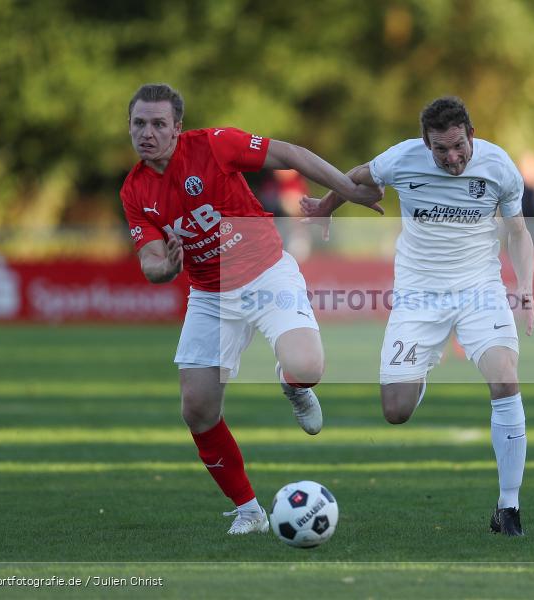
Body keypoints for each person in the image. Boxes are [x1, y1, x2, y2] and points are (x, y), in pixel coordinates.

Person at [119, 83, 382, 536]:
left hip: (266, 274)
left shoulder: (215, 145)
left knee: (307, 366)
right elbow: (151, 264)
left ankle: (292, 384)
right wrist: (167, 267)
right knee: (197, 409)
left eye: (159, 124)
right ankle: (249, 510)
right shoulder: (135, 190)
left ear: (177, 128)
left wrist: (344, 191)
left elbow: (293, 154)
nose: (148, 133)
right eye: (139, 123)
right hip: (209, 295)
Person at [301, 96, 534, 536]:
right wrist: (324, 209)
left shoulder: (499, 166)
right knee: (395, 410)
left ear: (472, 134)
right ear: (425, 144)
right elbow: (354, 177)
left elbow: (519, 232)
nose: (452, 157)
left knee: (505, 378)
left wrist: (524, 286)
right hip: (418, 295)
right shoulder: (402, 158)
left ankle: (509, 508)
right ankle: (423, 366)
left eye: (459, 146)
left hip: (479, 290)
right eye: (440, 149)